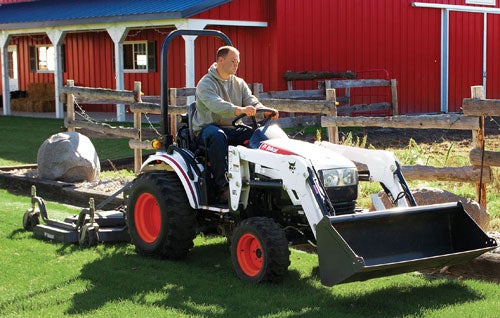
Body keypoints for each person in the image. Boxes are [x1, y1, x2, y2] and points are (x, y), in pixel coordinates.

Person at [193, 46, 278, 203]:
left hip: (231, 127)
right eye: (233, 61)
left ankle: (262, 178)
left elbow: (251, 100)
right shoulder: (205, 84)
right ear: (220, 60)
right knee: (217, 136)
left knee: (258, 135)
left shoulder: (239, 83)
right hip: (207, 129)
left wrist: (263, 110)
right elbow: (216, 105)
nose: (236, 65)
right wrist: (239, 110)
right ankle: (223, 187)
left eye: (237, 62)